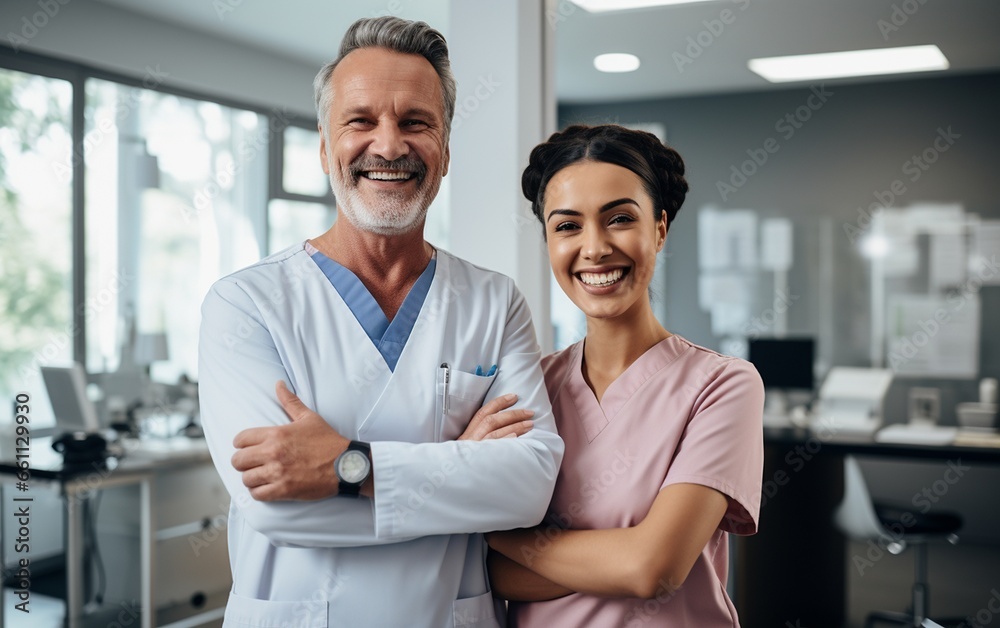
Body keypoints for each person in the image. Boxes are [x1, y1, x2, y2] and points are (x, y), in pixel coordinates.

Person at [198, 16, 563, 628]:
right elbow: (278, 509)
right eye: (361, 120)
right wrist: (461, 465)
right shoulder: (244, 304)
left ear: (445, 151)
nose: (389, 145)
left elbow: (529, 487)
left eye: (416, 122)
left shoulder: (494, 302)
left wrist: (345, 467)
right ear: (323, 147)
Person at [485, 124, 764, 626]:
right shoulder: (528, 388)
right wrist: (622, 557)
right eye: (568, 226)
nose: (594, 248)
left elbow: (652, 569)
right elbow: (488, 575)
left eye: (618, 219)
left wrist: (496, 537)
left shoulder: (723, 386)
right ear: (548, 241)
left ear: (659, 228)